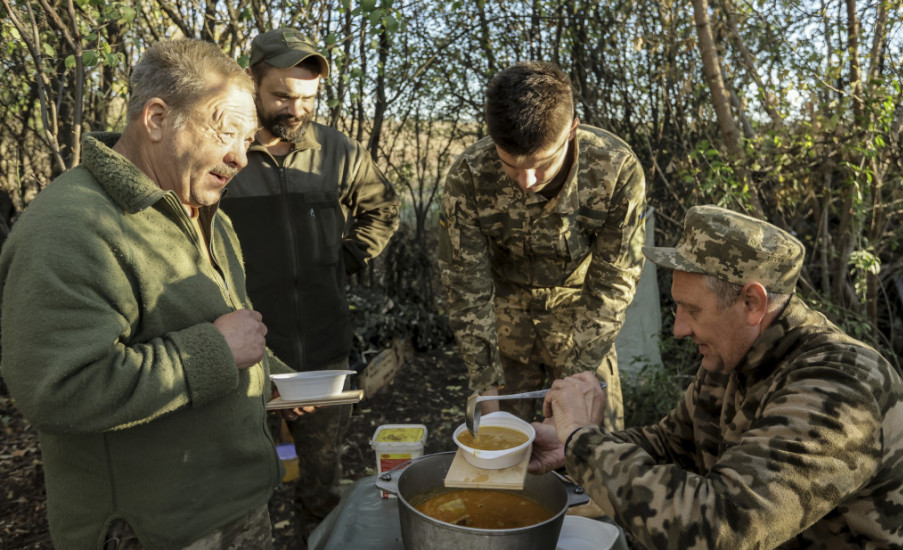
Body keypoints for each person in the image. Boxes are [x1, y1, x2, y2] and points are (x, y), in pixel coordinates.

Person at [0, 39, 290, 549]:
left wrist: (278, 379)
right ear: (156, 118)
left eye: (248, 140)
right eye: (227, 132)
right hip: (154, 530)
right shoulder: (71, 227)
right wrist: (216, 352)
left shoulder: (200, 208)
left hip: (234, 506)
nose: (241, 157)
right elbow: (60, 388)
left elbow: (213, 327)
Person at [529, 205, 903, 549]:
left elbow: (719, 529)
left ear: (752, 302)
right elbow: (671, 445)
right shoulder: (732, 359)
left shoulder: (841, 389)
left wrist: (583, 440)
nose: (679, 329)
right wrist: (570, 447)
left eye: (692, 310)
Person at [220, 28, 400, 532]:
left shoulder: (336, 152)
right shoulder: (223, 156)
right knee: (240, 495)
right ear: (249, 82)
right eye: (281, 94)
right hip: (243, 358)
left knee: (321, 488)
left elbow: (382, 207)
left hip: (322, 351)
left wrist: (343, 259)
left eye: (308, 98)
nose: (295, 109)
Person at [437, 61, 646, 430]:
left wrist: (577, 382)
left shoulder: (615, 170)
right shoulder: (469, 175)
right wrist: (486, 384)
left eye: (539, 165)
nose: (525, 180)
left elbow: (614, 282)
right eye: (510, 166)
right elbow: (465, 286)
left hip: (583, 321)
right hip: (503, 332)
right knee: (500, 456)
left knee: (596, 456)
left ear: (572, 131)